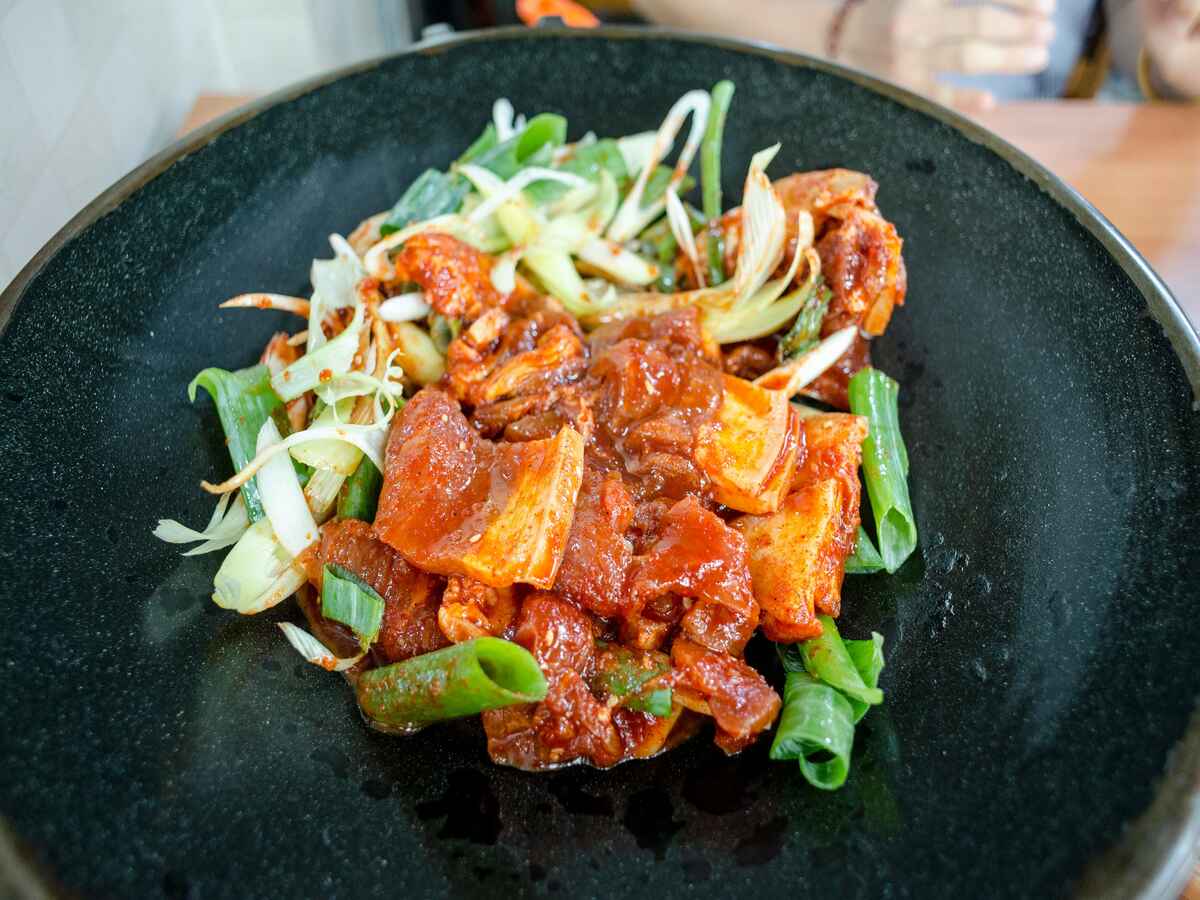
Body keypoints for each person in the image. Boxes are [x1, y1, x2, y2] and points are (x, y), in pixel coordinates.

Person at [632, 0, 1200, 109]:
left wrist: (1167, 48)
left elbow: (1121, 24)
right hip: (741, 94)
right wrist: (834, 30)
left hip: (1005, 140)